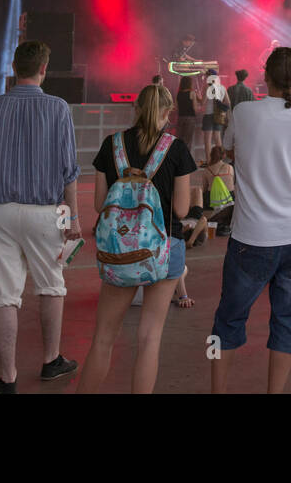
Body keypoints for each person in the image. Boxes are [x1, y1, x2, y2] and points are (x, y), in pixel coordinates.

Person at [0, 41, 82, 394]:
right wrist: (73, 218)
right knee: (51, 286)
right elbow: (69, 171)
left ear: (14, 68)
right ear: (43, 69)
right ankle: (51, 360)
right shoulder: (59, 108)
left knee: (3, 296)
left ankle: (8, 377)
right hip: (46, 213)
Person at [211, 47, 291, 394]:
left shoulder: (244, 113)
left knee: (226, 322)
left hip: (250, 239)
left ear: (266, 76)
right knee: (288, 323)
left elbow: (228, 150)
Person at [77, 83, 195, 393]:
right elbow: (181, 210)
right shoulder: (177, 149)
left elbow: (100, 204)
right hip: (164, 249)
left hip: (120, 251)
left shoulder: (111, 145)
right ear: (168, 113)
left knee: (103, 339)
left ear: (136, 109)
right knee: (148, 339)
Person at [200, 69, 229, 160]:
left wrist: (197, 97)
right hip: (218, 116)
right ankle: (220, 161)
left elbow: (202, 102)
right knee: (218, 138)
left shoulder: (206, 87)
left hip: (208, 115)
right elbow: (227, 103)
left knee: (207, 140)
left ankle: (209, 162)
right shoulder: (222, 87)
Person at [176, 77, 199, 156]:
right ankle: (185, 159)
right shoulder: (192, 93)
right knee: (188, 141)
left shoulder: (178, 94)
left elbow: (176, 107)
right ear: (189, 84)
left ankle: (178, 157)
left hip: (180, 118)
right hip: (190, 118)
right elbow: (195, 108)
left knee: (180, 139)